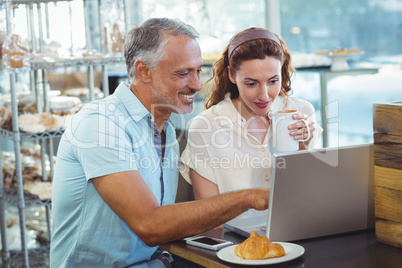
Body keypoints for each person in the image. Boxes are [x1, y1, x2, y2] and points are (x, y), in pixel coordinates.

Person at [50, 18, 269, 268]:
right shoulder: (101, 123)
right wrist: (249, 198)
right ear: (144, 70)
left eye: (198, 71)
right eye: (183, 73)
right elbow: (150, 225)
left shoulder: (166, 132)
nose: (196, 85)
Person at [180, 27, 323, 219]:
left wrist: (304, 148)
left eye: (273, 81)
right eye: (251, 84)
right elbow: (210, 220)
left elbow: (312, 198)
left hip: (296, 231)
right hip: (235, 244)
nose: (264, 95)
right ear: (232, 75)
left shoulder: (302, 113)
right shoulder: (206, 127)